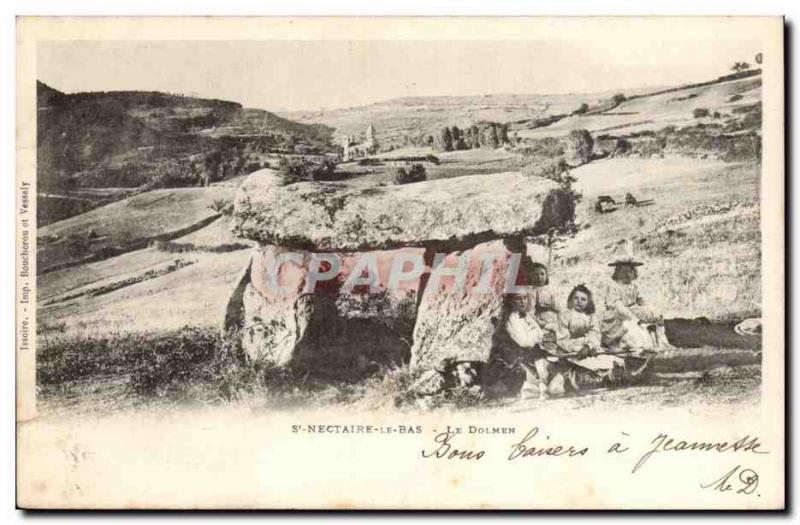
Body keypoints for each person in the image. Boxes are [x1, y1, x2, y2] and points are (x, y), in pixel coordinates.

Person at [600, 256, 672, 353]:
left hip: (632, 310)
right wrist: (633, 318)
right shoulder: (613, 287)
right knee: (631, 325)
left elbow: (641, 300)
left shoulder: (633, 286)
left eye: (632, 271)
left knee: (657, 316)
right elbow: (617, 306)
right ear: (619, 272)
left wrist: (652, 310)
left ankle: (663, 344)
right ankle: (641, 347)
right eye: (626, 271)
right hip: (617, 315)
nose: (630, 274)